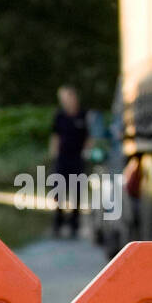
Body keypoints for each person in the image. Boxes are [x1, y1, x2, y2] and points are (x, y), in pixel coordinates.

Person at [49, 85, 89, 238]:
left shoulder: (84, 115)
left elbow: (89, 136)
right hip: (62, 158)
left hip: (77, 159)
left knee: (76, 193)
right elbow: (55, 136)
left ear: (74, 97)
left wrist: (87, 152)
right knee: (58, 192)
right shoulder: (59, 115)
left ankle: (74, 225)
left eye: (68, 98)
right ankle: (57, 224)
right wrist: (54, 155)